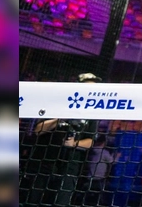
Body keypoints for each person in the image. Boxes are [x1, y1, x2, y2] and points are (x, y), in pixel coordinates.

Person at [24, 72, 101, 207]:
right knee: (33, 201)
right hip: (45, 164)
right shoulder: (57, 103)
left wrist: (74, 144)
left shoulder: (92, 112)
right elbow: (38, 129)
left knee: (61, 202)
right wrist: (60, 117)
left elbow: (90, 142)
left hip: (70, 168)